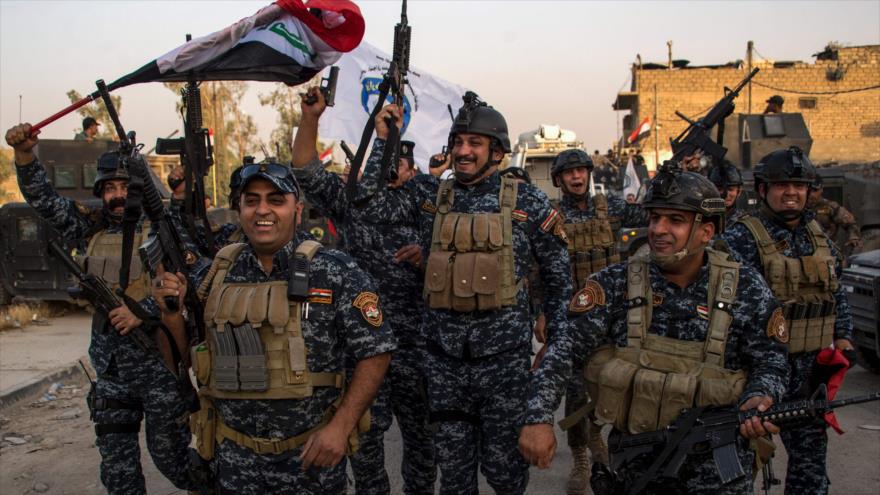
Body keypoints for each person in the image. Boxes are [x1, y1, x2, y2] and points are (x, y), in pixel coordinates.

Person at [355, 92, 574, 494]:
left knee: (505, 476)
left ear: (498, 152)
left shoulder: (528, 203)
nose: (462, 151)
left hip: (504, 371)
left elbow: (561, 284)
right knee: (454, 481)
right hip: (444, 370)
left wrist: (549, 364)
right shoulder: (429, 197)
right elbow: (366, 205)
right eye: (457, 142)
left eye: (474, 142)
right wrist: (384, 140)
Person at [169, 160, 396, 494]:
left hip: (308, 462)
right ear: (239, 210)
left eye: (276, 200)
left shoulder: (335, 271)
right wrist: (171, 316)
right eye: (252, 201)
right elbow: (185, 356)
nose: (263, 210)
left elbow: (376, 351)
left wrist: (340, 427)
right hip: (234, 462)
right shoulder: (214, 276)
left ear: (297, 210)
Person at [564, 163, 788, 493]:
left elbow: (771, 361)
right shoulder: (614, 284)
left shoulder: (746, 288)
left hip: (718, 461)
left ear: (706, 232)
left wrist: (761, 396)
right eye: (655, 218)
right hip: (639, 459)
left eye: (675, 220)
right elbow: (563, 352)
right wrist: (537, 419)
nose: (658, 229)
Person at [5, 123, 198, 494]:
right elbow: (45, 201)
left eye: (125, 187)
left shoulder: (163, 228)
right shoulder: (90, 226)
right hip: (111, 370)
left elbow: (192, 281)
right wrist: (25, 155)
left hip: (159, 367)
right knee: (118, 471)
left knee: (173, 461)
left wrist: (143, 311)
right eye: (110, 188)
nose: (118, 196)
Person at [291, 86, 436, 495]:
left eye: (400, 162)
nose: (393, 169)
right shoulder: (350, 200)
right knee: (365, 445)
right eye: (386, 159)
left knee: (423, 446)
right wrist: (310, 118)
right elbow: (304, 168)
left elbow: (457, 254)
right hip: (363, 348)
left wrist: (427, 257)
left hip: (416, 345)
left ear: (411, 170)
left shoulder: (425, 203)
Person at [723, 147, 855, 495]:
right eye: (782, 185)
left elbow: (835, 290)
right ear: (763, 189)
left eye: (799, 186)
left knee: (810, 469)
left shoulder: (817, 234)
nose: (792, 193)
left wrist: (843, 336)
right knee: (738, 468)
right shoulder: (740, 237)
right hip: (757, 373)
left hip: (810, 373)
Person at [547, 149, 647, 495]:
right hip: (574, 317)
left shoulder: (612, 207)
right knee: (576, 391)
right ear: (559, 180)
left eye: (581, 171)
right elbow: (538, 267)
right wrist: (542, 312)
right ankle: (580, 456)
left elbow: (651, 211)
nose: (577, 177)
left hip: (613, 317)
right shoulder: (552, 216)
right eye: (569, 173)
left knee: (613, 383)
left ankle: (597, 436)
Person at [808, 175, 862, 253]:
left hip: (828, 250)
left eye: (815, 190)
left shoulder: (831, 207)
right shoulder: (798, 207)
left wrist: (854, 237)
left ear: (821, 189)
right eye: (809, 190)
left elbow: (850, 223)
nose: (811, 194)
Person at [707, 159, 747, 227]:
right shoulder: (703, 218)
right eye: (719, 189)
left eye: (730, 190)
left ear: (739, 191)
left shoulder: (745, 222)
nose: (726, 195)